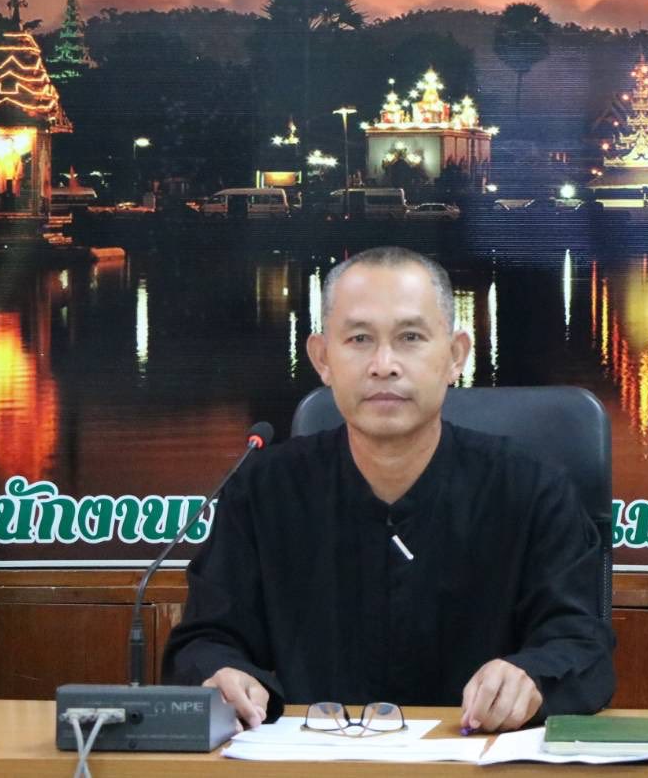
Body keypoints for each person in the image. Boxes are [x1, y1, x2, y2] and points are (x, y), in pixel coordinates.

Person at [163, 246, 615, 733]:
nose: (384, 364)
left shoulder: (532, 489)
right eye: (359, 339)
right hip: (313, 762)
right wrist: (222, 675)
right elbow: (204, 641)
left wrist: (532, 677)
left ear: (456, 356)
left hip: (474, 756)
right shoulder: (262, 491)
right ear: (322, 359)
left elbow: (582, 645)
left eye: (410, 337)